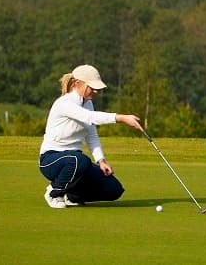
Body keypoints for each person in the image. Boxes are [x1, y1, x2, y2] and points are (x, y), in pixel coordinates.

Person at [38, 64, 143, 208]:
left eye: (97, 88)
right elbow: (89, 117)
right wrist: (122, 118)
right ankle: (54, 192)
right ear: (77, 84)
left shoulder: (88, 104)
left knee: (114, 189)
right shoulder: (64, 103)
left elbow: (92, 135)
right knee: (80, 160)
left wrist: (101, 161)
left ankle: (72, 196)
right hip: (51, 160)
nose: (95, 91)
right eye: (91, 87)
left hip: (75, 162)